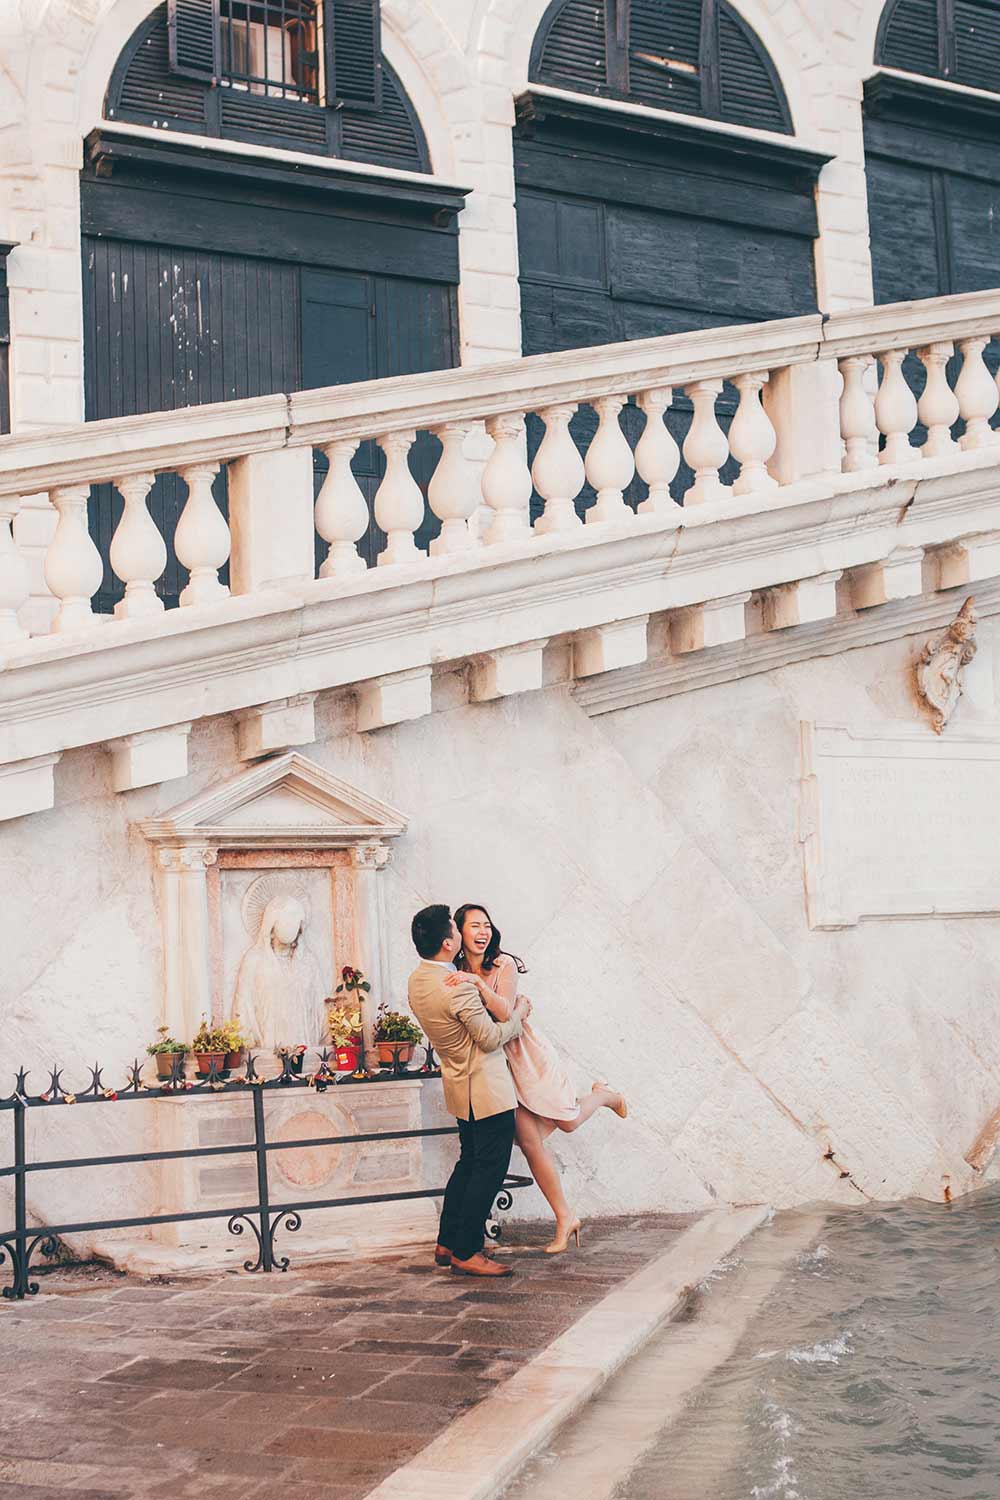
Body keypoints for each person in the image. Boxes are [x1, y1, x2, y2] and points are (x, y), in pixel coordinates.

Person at [449, 902, 626, 1255]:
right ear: (458, 933)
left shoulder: (504, 965)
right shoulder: (455, 970)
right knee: (530, 1142)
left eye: (487, 925)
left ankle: (603, 1095)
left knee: (570, 1121)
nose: (483, 932)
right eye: (474, 926)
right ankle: (565, 1218)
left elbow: (503, 1012)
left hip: (525, 1055)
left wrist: (476, 984)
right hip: (496, 1068)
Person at [407, 903, 532, 1279]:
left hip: (458, 1082)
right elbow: (492, 1038)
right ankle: (466, 1250)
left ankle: (446, 1241)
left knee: (468, 1163)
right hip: (486, 1085)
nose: (466, 935)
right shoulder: (456, 990)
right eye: (458, 929)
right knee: (489, 1169)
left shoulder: (418, 979)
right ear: (448, 943)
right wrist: (520, 1014)